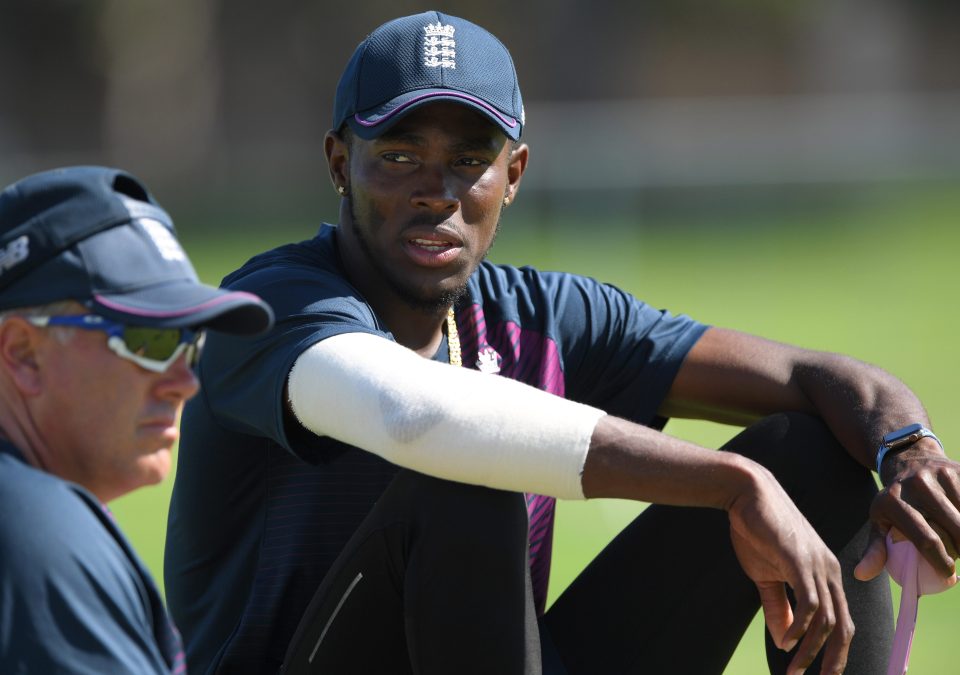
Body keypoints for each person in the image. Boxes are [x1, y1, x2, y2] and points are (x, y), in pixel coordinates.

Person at [164, 11, 960, 675]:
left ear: (513, 175)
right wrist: (730, 481)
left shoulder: (539, 315)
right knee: (467, 473)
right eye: (399, 155)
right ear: (340, 162)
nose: (434, 192)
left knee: (816, 452)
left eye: (469, 161)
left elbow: (817, 376)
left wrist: (909, 448)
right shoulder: (271, 306)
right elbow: (420, 417)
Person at [0, 166, 274, 673]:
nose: (185, 383)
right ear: (23, 354)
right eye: (149, 341)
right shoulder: (35, 535)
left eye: (190, 343)